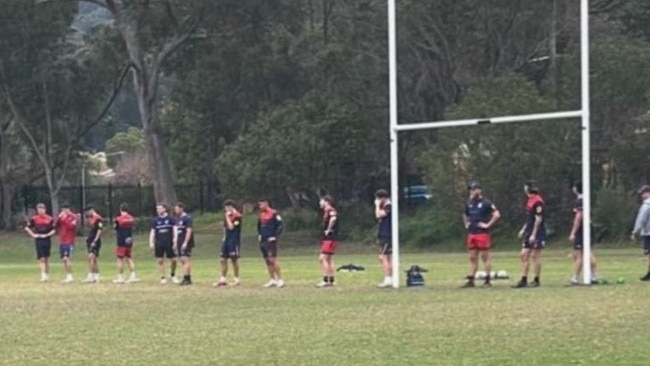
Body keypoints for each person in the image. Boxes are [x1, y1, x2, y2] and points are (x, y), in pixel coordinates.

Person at [461, 183, 501, 288]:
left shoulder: (486, 202)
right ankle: (471, 279)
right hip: (472, 233)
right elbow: (465, 214)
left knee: (485, 257)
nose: (472, 192)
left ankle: (487, 280)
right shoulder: (469, 202)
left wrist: (488, 225)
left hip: (481, 234)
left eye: (474, 190)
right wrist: (466, 224)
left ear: (479, 190)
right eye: (471, 190)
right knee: (472, 257)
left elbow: (496, 214)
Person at [514, 181, 546, 288]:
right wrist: (523, 229)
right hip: (528, 231)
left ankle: (536, 280)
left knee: (535, 255)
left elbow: (538, 219)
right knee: (523, 255)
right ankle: (524, 279)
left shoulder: (538, 201)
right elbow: (529, 219)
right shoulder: (529, 200)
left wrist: (533, 234)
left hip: (536, 232)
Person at [568, 181, 598, 285]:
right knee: (588, 253)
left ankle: (575, 277)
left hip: (582, 229)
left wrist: (573, 232)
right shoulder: (586, 199)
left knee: (579, 254)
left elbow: (578, 217)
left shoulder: (580, 201)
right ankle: (594, 276)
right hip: (588, 228)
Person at [24, 203, 56, 282]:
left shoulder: (50, 219)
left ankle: (47, 274)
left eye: (41, 209)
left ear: (45, 210)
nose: (40, 211)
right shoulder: (34, 219)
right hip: (39, 240)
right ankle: (43, 275)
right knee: (41, 258)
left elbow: (54, 230)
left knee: (46, 258)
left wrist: (48, 235)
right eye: (38, 210)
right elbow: (27, 228)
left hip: (47, 239)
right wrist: (33, 235)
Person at [149, 204, 179, 285]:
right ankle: (162, 277)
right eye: (157, 209)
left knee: (174, 260)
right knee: (160, 260)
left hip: (169, 242)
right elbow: (153, 232)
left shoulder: (171, 219)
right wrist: (151, 242)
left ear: (164, 209)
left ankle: (172, 274)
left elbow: (175, 229)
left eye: (159, 208)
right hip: (159, 242)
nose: (158, 210)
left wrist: (175, 240)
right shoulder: (155, 220)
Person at [258, 198, 284, 288]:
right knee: (267, 260)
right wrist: (260, 235)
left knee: (273, 259)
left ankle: (280, 279)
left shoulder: (274, 213)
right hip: (263, 239)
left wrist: (275, 236)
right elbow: (259, 226)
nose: (260, 206)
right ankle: (272, 279)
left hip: (271, 240)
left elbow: (280, 226)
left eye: (261, 204)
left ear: (266, 204)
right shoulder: (261, 214)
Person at [215, 199, 242, 287]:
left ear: (231, 207)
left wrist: (227, 217)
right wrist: (224, 237)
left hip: (234, 240)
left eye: (227, 207)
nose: (226, 209)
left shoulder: (237, 216)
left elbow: (231, 227)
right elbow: (225, 227)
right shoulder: (227, 215)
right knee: (223, 259)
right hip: (226, 239)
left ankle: (236, 279)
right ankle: (223, 278)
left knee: (234, 259)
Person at [316, 195, 339, 287]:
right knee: (329, 259)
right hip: (330, 238)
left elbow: (333, 218)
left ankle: (326, 280)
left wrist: (329, 229)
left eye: (321, 201)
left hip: (330, 238)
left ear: (326, 202)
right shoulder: (326, 211)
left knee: (323, 258)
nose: (319, 203)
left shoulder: (330, 210)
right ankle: (331, 280)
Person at [113, 203, 138, 284]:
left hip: (121, 241)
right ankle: (133, 275)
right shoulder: (131, 218)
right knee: (129, 258)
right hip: (129, 240)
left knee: (120, 259)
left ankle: (120, 277)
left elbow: (115, 228)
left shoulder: (118, 219)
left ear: (120, 209)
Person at [56, 204, 79, 283]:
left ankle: (70, 276)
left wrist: (65, 219)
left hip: (69, 241)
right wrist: (59, 218)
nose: (63, 212)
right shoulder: (61, 217)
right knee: (64, 259)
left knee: (67, 258)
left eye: (65, 210)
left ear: (68, 209)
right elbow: (56, 226)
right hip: (62, 240)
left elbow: (71, 227)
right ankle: (67, 275)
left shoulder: (73, 217)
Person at [375, 189, 393, 288]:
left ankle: (388, 279)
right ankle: (390, 278)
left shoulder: (388, 206)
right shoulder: (386, 206)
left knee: (383, 257)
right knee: (388, 257)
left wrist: (377, 205)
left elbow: (378, 215)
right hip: (383, 234)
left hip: (387, 234)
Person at [632, 185, 650, 281]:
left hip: (648, 233)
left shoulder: (646, 205)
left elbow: (641, 220)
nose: (641, 195)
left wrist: (636, 231)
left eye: (643, 193)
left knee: (648, 254)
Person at [174, 203, 194, 286]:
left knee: (185, 259)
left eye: (177, 209)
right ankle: (187, 278)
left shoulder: (187, 218)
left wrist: (185, 242)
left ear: (181, 209)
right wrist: (175, 242)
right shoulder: (178, 219)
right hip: (179, 241)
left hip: (185, 242)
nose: (176, 211)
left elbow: (189, 231)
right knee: (182, 260)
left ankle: (186, 278)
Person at [82, 206, 104, 283]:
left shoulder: (98, 218)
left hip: (95, 241)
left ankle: (91, 275)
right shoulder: (90, 218)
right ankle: (96, 275)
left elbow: (99, 230)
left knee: (91, 257)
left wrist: (95, 241)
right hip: (90, 240)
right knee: (93, 259)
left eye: (87, 212)